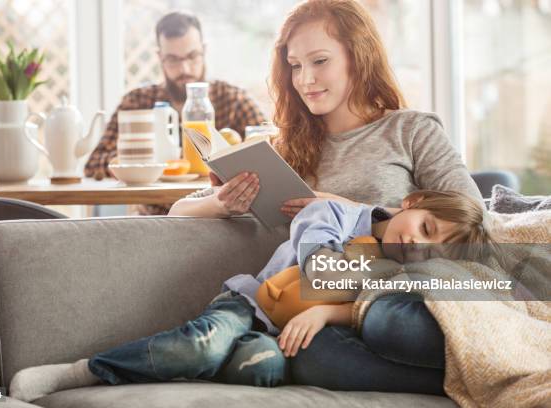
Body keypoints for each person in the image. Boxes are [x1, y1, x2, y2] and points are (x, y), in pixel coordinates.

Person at [166, 0, 484, 396]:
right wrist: (221, 203)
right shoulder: (280, 151)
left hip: (397, 301)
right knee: (313, 354)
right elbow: (178, 210)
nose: (305, 80)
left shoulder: (411, 130)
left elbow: (477, 222)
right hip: (317, 316)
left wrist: (337, 203)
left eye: (319, 61)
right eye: (295, 65)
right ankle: (466, 382)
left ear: (358, 57)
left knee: (389, 321)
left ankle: (469, 374)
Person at [8, 189, 493, 402]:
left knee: (263, 368)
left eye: (431, 247)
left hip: (279, 338)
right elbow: (315, 267)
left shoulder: (399, 272)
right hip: (250, 307)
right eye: (425, 227)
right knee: (203, 343)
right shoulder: (335, 216)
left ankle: (198, 365)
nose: (417, 242)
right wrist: (365, 276)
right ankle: (80, 372)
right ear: (412, 203)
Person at [85, 11, 266, 214]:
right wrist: (145, 161)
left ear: (204, 50)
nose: (184, 68)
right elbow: (94, 164)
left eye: (192, 56)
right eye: (173, 59)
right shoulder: (138, 102)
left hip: (220, 219)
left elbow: (270, 148)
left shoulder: (232, 100)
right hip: (155, 219)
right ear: (160, 58)